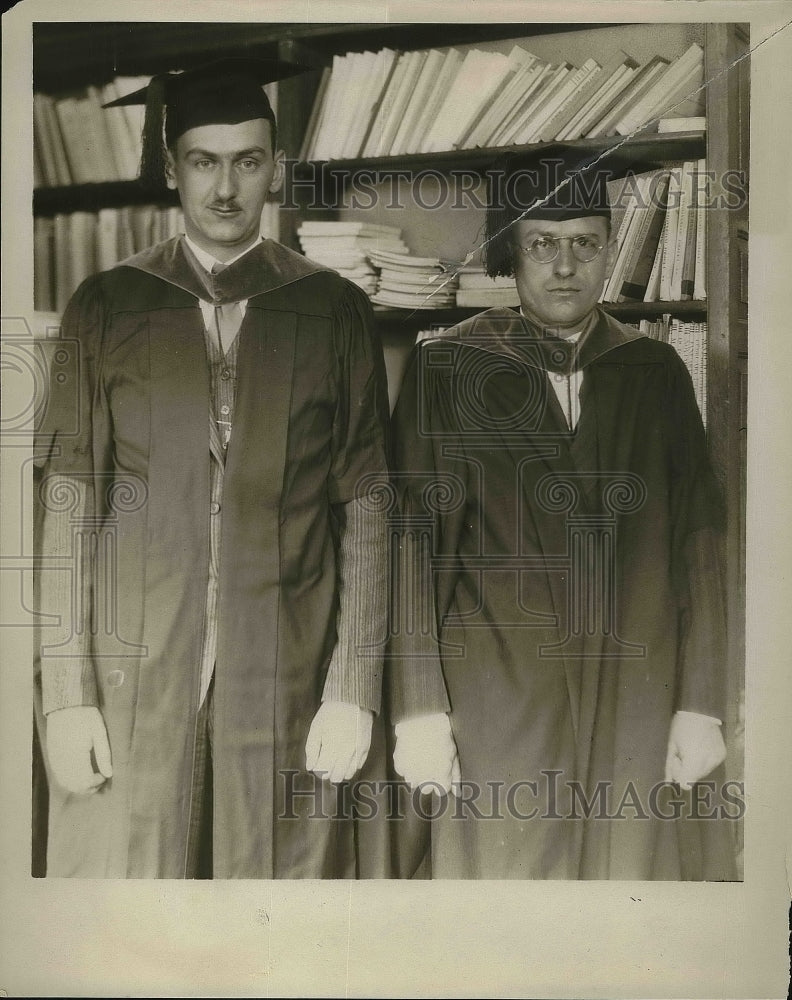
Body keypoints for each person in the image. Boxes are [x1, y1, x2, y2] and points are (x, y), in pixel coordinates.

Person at [34, 58, 391, 878]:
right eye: (203, 160)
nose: (226, 187)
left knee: (272, 905)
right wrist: (65, 694)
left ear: (277, 166)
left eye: (248, 160)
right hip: (133, 673)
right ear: (171, 169)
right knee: (127, 905)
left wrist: (353, 683)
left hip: (285, 668)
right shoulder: (107, 304)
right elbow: (68, 499)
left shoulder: (331, 308)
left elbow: (368, 505)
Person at [388, 145, 735, 879]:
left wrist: (701, 702)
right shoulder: (449, 367)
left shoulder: (655, 373)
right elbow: (411, 546)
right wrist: (418, 706)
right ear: (510, 257)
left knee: (629, 907)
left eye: (586, 243)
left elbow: (699, 544)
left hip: (636, 691)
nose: (566, 266)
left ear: (610, 251)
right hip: (495, 694)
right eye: (543, 245)